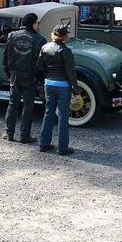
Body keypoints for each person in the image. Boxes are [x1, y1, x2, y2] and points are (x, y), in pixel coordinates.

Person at [3, 12, 45, 143]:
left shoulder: (11, 35)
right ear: (32, 23)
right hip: (30, 77)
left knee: (12, 103)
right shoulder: (39, 39)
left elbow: (5, 56)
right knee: (28, 106)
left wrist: (8, 74)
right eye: (37, 22)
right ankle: (24, 135)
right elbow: (41, 63)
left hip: (15, 75)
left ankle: (9, 133)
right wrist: (40, 79)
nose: (39, 25)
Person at [37, 24, 76, 155]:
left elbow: (39, 66)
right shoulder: (66, 51)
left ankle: (44, 143)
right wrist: (75, 87)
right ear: (65, 36)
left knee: (48, 113)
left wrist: (46, 78)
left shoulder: (45, 47)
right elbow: (70, 72)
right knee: (63, 116)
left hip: (49, 83)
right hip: (63, 86)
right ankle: (63, 147)